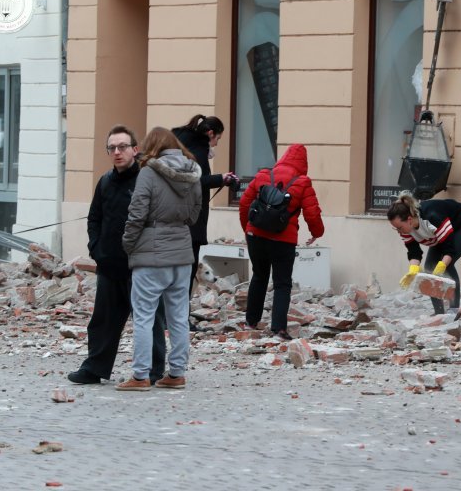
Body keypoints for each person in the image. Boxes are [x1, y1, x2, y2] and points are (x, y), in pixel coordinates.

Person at [67, 125, 166, 386]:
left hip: (140, 266)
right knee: (103, 321)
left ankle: (154, 371)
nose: (117, 152)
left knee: (148, 320)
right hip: (109, 264)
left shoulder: (148, 179)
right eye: (112, 148)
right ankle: (94, 368)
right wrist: (96, 248)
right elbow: (94, 218)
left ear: (135, 149)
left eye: (122, 146)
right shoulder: (105, 181)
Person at [116, 127, 202, 391]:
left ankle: (140, 376)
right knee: (178, 317)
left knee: (144, 316)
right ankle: (176, 373)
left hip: (152, 254)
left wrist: (128, 244)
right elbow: (196, 212)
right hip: (182, 253)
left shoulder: (148, 173)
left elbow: (137, 213)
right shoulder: (193, 172)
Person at [238, 144, 324, 340]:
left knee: (259, 276)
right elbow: (312, 213)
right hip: (283, 239)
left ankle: (251, 322)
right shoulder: (302, 182)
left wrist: (247, 228)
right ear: (304, 163)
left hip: (256, 236)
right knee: (282, 283)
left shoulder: (263, 175)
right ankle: (279, 329)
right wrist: (317, 233)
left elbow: (244, 203)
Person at [172, 115, 238, 328]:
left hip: (172, 218)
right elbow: (197, 181)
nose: (216, 144)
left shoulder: (179, 142)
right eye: (217, 138)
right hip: (191, 220)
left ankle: (167, 317)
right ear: (210, 134)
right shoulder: (198, 149)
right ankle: (180, 320)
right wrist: (222, 179)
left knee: (172, 272)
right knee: (187, 273)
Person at [387, 191, 461, 315]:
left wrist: (442, 266)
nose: (398, 231)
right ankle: (439, 313)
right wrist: (413, 269)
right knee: (430, 268)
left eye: (399, 227)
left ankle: (453, 312)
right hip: (439, 235)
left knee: (447, 266)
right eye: (396, 228)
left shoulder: (432, 217)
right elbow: (414, 252)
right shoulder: (405, 230)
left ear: (409, 219)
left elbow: (449, 250)